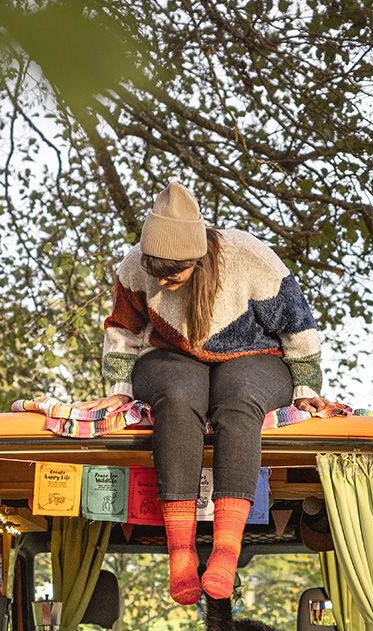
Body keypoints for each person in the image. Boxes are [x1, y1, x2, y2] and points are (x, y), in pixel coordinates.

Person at [94, 181, 328, 604]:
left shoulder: (250, 258)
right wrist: (119, 390)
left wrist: (307, 388)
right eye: (155, 272)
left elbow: (299, 327)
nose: (162, 283)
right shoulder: (133, 268)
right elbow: (122, 333)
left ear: (197, 258)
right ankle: (181, 551)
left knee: (237, 396)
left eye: (174, 274)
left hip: (255, 356)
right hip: (169, 359)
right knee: (182, 395)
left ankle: (225, 549)